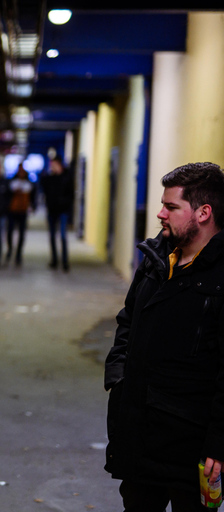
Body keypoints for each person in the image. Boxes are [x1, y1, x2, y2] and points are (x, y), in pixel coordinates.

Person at [104, 162, 224, 511]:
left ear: (203, 213)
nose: (159, 213)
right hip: (139, 432)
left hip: (192, 442)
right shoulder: (158, 257)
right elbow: (128, 320)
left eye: (171, 207)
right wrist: (119, 375)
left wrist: (218, 442)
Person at [40, 157, 74, 271]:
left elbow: (71, 195)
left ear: (59, 165)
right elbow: (43, 188)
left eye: (53, 164)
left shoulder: (67, 177)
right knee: (52, 236)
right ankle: (54, 260)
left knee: (63, 236)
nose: (51, 167)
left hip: (63, 211)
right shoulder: (49, 178)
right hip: (52, 211)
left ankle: (65, 261)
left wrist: (65, 204)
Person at [5, 164, 36, 266]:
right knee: (10, 231)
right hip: (12, 211)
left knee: (22, 234)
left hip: (23, 211)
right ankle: (10, 249)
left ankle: (18, 253)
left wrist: (33, 206)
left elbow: (32, 196)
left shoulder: (29, 184)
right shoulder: (11, 182)